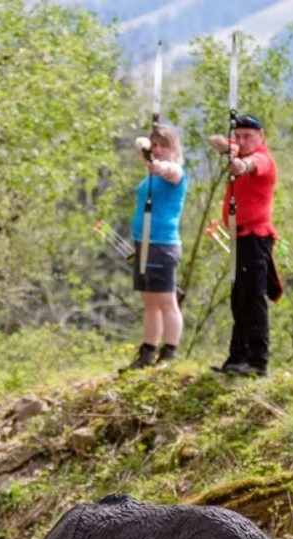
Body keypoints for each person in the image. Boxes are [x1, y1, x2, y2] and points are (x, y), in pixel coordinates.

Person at [207, 114, 282, 378]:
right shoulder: (237, 149)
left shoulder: (263, 159)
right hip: (239, 237)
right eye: (238, 136)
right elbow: (214, 140)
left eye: (248, 136)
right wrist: (231, 147)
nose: (242, 141)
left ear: (260, 136)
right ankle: (237, 357)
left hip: (255, 237)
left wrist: (240, 162)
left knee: (252, 297)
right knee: (239, 298)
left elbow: (252, 164)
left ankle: (258, 360)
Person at [121, 123, 189, 372]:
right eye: (156, 145)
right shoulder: (151, 169)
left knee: (166, 301)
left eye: (164, 145)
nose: (159, 150)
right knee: (149, 301)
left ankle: (169, 352)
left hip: (162, 244)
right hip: (143, 242)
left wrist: (161, 165)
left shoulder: (175, 173)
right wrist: (148, 149)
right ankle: (148, 352)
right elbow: (139, 143)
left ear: (173, 148)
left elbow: (171, 170)